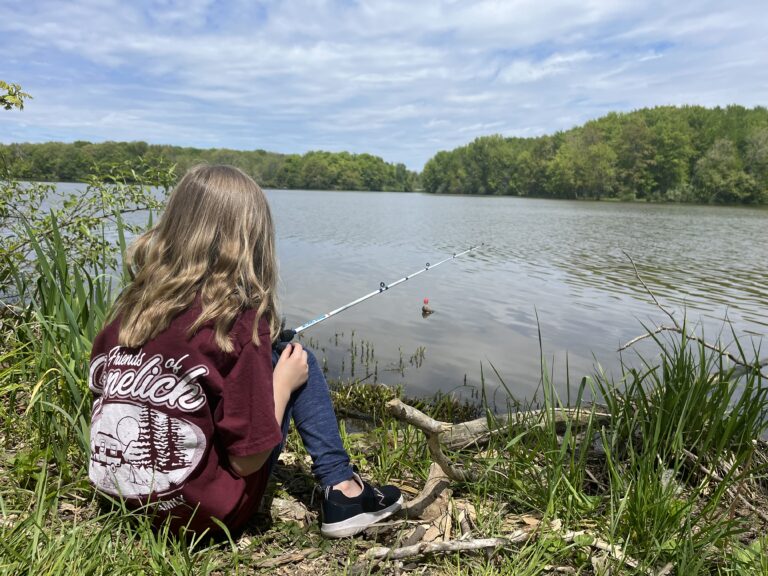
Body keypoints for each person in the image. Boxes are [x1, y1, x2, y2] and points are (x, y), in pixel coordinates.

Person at [87, 164, 402, 537]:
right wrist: (283, 383)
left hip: (118, 498)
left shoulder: (128, 313)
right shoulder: (239, 322)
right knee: (297, 359)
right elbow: (246, 462)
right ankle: (343, 490)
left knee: (277, 354)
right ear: (252, 242)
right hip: (204, 515)